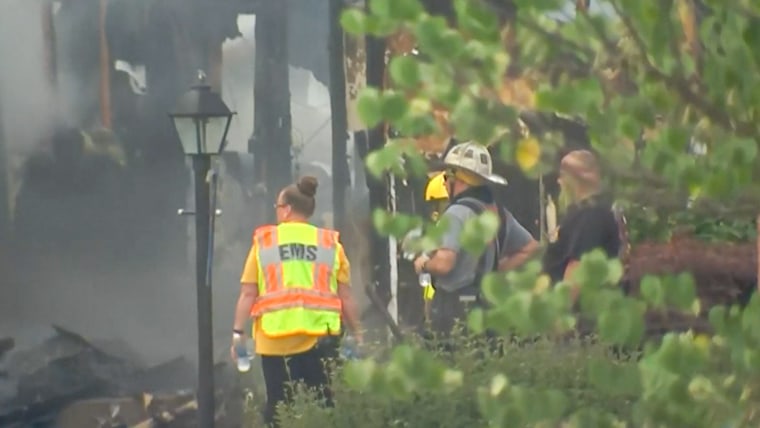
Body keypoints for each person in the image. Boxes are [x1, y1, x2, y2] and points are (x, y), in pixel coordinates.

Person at [231, 176, 362, 427]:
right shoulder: (330, 244)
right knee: (325, 407)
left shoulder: (264, 243)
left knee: (279, 409)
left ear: (287, 209)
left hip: (275, 341)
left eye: (278, 207)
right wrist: (357, 334)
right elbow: (346, 296)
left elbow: (248, 293)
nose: (277, 212)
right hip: (319, 340)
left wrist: (238, 335)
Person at [413, 142, 539, 336]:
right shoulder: (499, 213)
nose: (445, 183)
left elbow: (445, 264)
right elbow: (531, 248)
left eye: (447, 176)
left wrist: (423, 264)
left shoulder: (455, 214)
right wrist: (496, 269)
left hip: (454, 310)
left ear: (458, 179)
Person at [542, 150, 622, 303]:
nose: (559, 181)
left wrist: (560, 317)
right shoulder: (584, 213)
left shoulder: (591, 215)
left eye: (563, 175)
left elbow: (577, 270)